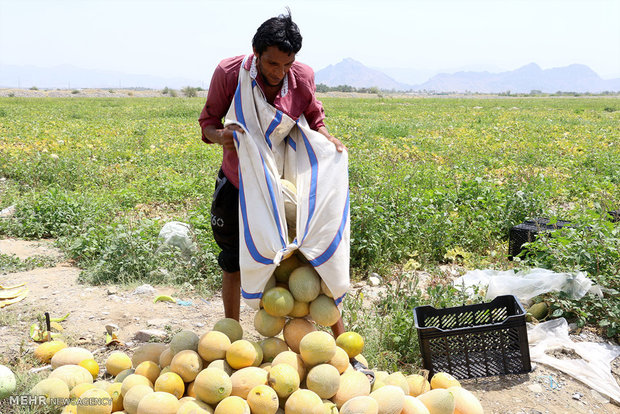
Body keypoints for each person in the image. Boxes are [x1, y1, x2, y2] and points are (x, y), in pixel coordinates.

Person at [198, 10, 346, 337]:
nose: (280, 72)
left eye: (287, 65)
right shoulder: (230, 73)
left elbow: (314, 116)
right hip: (239, 178)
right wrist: (221, 136)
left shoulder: (302, 76)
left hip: (284, 180)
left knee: (307, 253)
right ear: (257, 55)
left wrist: (326, 137)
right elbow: (208, 123)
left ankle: (340, 342)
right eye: (272, 64)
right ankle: (231, 334)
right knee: (233, 259)